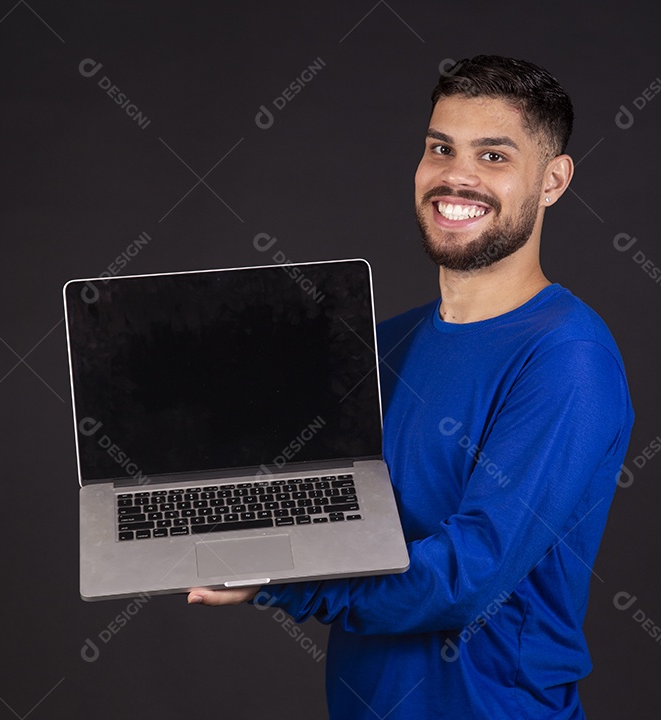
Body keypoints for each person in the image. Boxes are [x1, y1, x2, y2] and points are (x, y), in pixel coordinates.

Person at [188, 55, 634, 719]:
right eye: (441, 148)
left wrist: (282, 581)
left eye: (494, 156)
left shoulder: (568, 358)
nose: (456, 175)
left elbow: (466, 576)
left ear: (553, 180)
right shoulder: (384, 345)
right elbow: (313, 500)